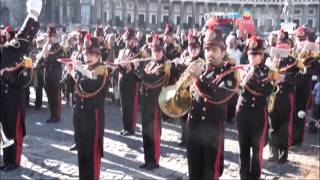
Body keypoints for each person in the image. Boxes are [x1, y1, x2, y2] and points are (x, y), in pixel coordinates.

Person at [186, 26, 238, 179]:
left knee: (210, 172)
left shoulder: (230, 74)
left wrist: (199, 78)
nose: (210, 54)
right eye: (207, 50)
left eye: (214, 50)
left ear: (223, 52)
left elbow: (219, 95)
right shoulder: (203, 68)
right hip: (194, 127)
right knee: (194, 171)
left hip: (212, 130)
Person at [0, 0, 42, 171]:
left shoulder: (13, 50)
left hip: (15, 98)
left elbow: (25, 79)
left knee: (14, 129)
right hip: (3, 97)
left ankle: (15, 161)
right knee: (5, 129)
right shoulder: (4, 51)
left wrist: (33, 13)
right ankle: (7, 160)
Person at [235, 36, 275, 179]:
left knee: (257, 149)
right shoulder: (243, 69)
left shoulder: (268, 71)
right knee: (243, 148)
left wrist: (252, 79)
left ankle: (255, 176)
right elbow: (236, 90)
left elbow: (268, 91)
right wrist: (244, 78)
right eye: (250, 54)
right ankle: (243, 176)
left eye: (255, 54)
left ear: (262, 55)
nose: (252, 57)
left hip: (258, 113)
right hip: (242, 112)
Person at [72, 33, 108, 179]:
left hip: (93, 116)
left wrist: (76, 75)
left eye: (92, 54)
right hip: (81, 115)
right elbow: (69, 86)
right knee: (82, 151)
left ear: (98, 55)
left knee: (92, 152)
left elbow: (90, 86)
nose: (89, 57)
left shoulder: (101, 69)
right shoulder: (84, 68)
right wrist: (71, 71)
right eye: (87, 54)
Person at [134, 34, 170, 170]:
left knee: (153, 132)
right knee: (145, 132)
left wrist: (138, 68)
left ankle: (154, 160)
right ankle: (147, 159)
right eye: (154, 51)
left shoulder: (163, 67)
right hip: (145, 103)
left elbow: (151, 81)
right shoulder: (150, 63)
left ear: (163, 52)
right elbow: (141, 79)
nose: (156, 53)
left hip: (155, 104)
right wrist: (133, 67)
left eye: (159, 51)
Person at [267, 29, 299, 164]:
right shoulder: (270, 60)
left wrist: (285, 78)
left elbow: (299, 80)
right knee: (272, 126)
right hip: (273, 97)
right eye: (279, 45)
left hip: (286, 96)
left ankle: (283, 155)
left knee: (284, 128)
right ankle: (273, 153)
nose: (281, 48)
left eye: (284, 45)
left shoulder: (293, 61)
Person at [117, 27, 145, 136]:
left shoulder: (140, 52)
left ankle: (131, 128)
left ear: (134, 39)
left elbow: (141, 70)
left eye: (129, 40)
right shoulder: (124, 50)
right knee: (123, 105)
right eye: (126, 40)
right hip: (122, 79)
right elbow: (119, 66)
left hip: (132, 81)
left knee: (131, 106)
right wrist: (119, 63)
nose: (127, 42)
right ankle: (125, 127)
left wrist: (130, 67)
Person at [42, 25, 64, 123]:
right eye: (49, 36)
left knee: (56, 96)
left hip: (55, 74)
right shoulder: (48, 46)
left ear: (55, 36)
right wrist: (45, 46)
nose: (49, 38)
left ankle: (57, 116)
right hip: (47, 74)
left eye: (51, 36)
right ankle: (52, 115)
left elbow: (61, 61)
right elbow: (43, 57)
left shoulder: (59, 47)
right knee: (49, 95)